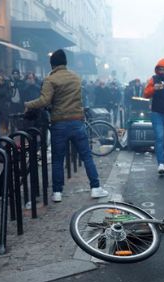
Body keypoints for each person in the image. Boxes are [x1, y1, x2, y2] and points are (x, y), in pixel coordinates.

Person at [24, 49, 109, 203]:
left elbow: (44, 101)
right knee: (86, 156)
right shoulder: (76, 78)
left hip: (59, 123)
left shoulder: (50, 79)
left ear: (52, 64)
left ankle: (57, 192)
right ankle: (95, 187)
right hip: (77, 121)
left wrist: (28, 104)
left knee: (58, 159)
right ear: (66, 62)